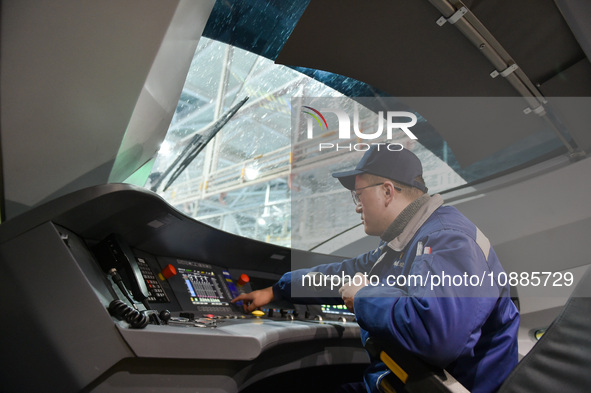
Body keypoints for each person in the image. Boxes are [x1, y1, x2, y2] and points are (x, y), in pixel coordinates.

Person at [232, 144, 520, 393]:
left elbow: (438, 337)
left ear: (386, 191)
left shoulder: (448, 239)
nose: (357, 207)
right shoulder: (404, 243)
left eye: (359, 196)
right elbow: (340, 275)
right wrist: (276, 290)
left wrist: (365, 296)